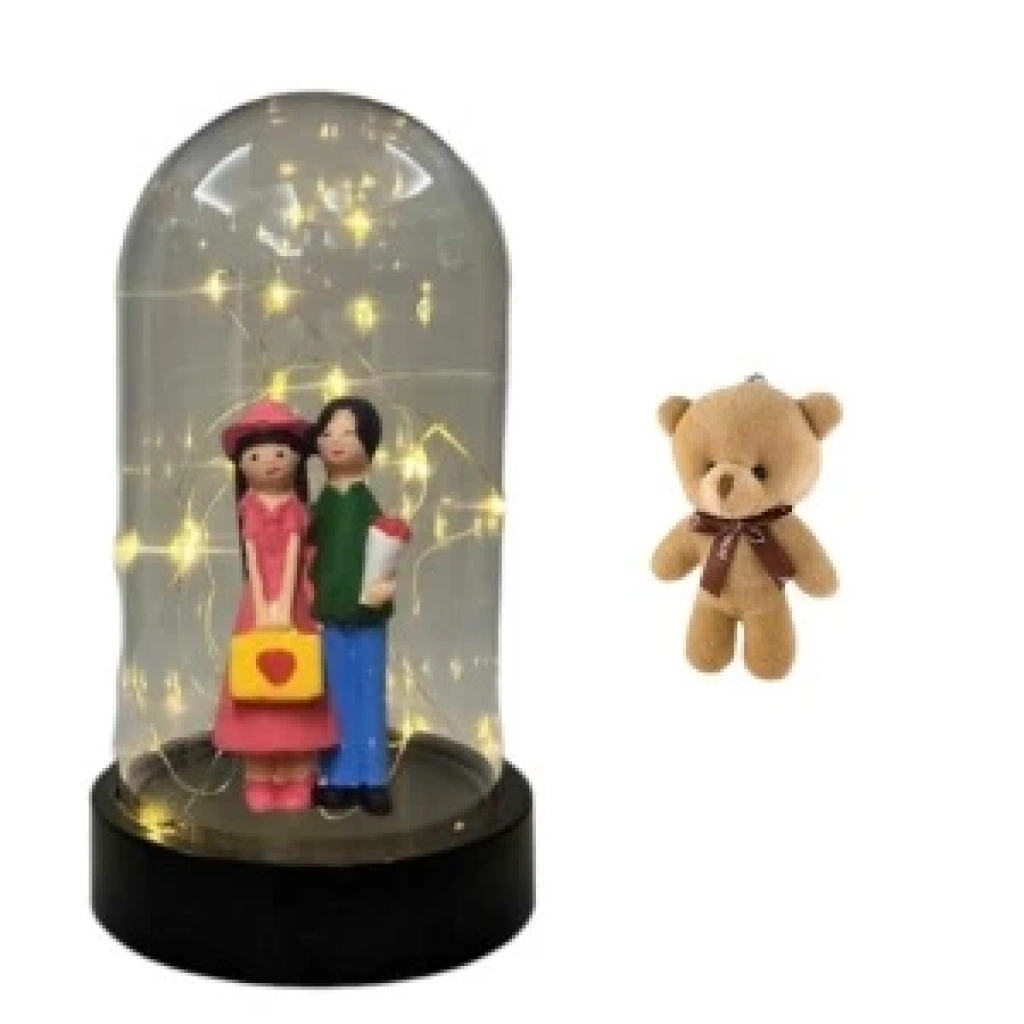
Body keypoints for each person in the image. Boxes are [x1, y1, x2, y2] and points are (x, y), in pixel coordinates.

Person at [212, 399, 338, 813]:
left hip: (292, 603)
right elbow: (252, 554)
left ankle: (296, 772)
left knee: (298, 687)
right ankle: (260, 772)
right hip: (256, 602)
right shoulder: (249, 506)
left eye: (280, 453)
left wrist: (281, 607)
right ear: (241, 464)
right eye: (255, 456)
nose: (269, 462)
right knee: (255, 686)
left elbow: (291, 556)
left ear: (298, 459)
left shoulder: (295, 509)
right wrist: (262, 606)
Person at [307, 397, 396, 814]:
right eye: (327, 433)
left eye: (348, 433)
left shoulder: (365, 503)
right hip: (329, 612)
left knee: (369, 694)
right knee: (335, 697)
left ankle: (373, 776)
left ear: (369, 444)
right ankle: (338, 776)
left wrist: (385, 578)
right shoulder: (322, 506)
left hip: (368, 613)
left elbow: (385, 550)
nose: (336, 440)